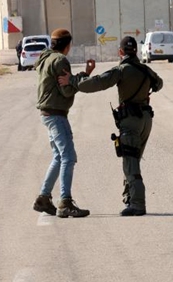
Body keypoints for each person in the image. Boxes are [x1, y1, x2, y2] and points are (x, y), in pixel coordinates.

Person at [58, 36, 163, 216]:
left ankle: (137, 204)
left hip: (130, 121)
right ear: (136, 51)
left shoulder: (121, 70)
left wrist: (73, 81)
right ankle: (129, 197)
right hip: (146, 119)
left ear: (120, 52)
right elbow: (159, 84)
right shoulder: (145, 69)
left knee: (130, 162)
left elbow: (97, 83)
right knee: (133, 160)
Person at [32, 28, 94, 218]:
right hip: (56, 114)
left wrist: (81, 75)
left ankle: (43, 198)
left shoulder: (45, 58)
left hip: (48, 114)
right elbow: (67, 90)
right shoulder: (60, 61)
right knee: (68, 157)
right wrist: (84, 75)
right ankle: (65, 202)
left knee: (59, 157)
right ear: (68, 45)